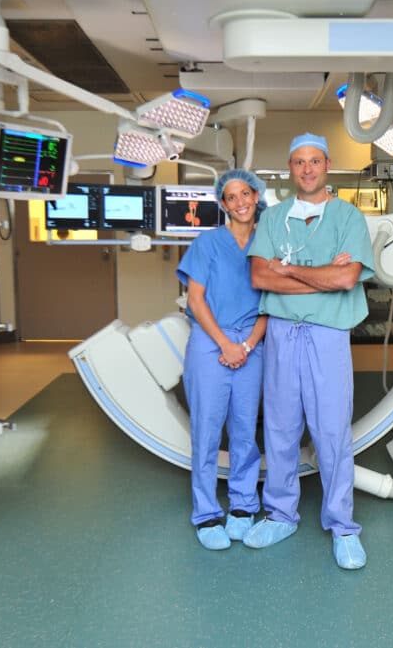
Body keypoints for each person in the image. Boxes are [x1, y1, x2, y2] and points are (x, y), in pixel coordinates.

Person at [244, 133, 375, 570]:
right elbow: (261, 278)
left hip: (328, 335)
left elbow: (345, 280)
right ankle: (281, 514)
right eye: (298, 162)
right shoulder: (273, 218)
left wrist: (291, 269)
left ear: (327, 164)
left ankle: (342, 526)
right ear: (290, 168)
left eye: (314, 161)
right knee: (280, 428)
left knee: (332, 432)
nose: (307, 169)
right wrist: (319, 274)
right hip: (282, 334)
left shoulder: (347, 217)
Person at [177, 169, 269, 551]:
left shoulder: (268, 244)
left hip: (252, 342)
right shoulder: (207, 242)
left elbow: (272, 301)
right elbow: (195, 299)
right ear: (222, 204)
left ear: (255, 196)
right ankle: (207, 513)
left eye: (245, 193)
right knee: (207, 430)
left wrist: (245, 346)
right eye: (231, 197)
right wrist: (225, 344)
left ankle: (244, 506)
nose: (240, 202)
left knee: (245, 430)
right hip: (210, 342)